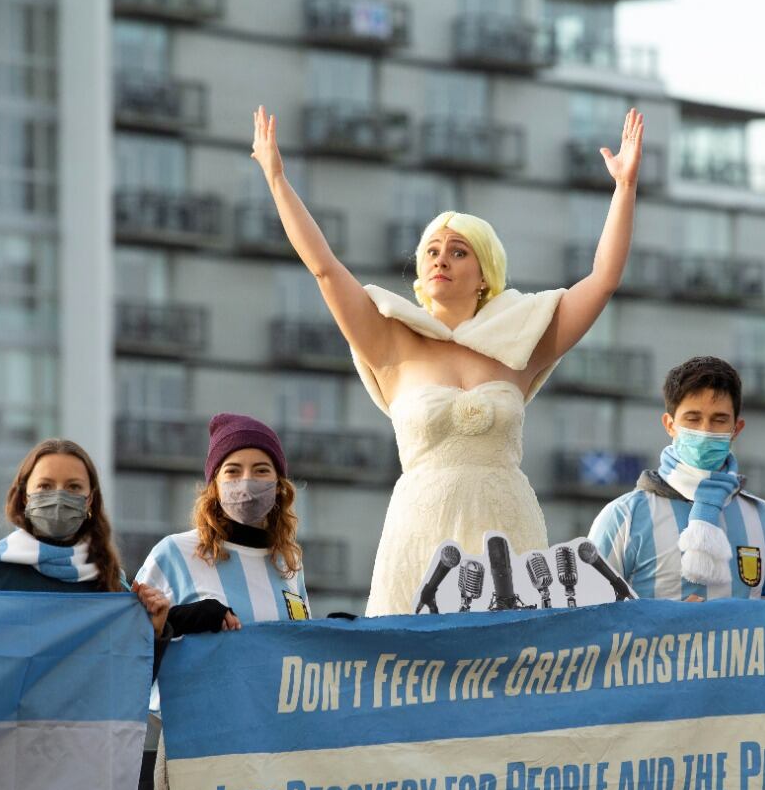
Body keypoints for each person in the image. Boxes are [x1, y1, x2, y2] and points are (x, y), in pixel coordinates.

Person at [250, 104, 644, 615]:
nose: (441, 258)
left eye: (459, 251)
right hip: (420, 534)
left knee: (512, 676)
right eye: (432, 250)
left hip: (510, 531)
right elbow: (325, 269)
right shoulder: (391, 340)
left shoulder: (519, 339)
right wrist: (277, 178)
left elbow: (603, 280)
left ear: (485, 274)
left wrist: (625, 188)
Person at [134, 413, 310, 790]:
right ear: (214, 484)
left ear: (280, 485)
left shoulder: (290, 563)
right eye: (233, 470)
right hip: (191, 745)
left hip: (272, 747)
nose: (246, 481)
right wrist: (182, 620)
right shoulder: (174, 552)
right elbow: (127, 645)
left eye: (261, 470)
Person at [588, 357, 765, 601]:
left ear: (736, 429)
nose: (705, 430)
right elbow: (588, 621)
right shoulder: (624, 516)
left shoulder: (760, 517)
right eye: (692, 418)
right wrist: (673, 625)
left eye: (719, 420)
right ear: (670, 425)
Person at [0, 438, 168, 627]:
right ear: (24, 497)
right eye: (45, 486)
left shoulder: (111, 584)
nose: (58, 497)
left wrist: (154, 630)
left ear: (90, 501)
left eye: (73, 487)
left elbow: (125, 667)